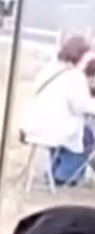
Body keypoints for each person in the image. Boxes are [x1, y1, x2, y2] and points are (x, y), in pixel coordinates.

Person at [21, 34, 95, 187]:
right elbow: (83, 106)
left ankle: (55, 170)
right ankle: (64, 175)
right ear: (80, 56)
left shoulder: (49, 69)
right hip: (56, 128)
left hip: (34, 124)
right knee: (87, 138)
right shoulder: (75, 77)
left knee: (69, 136)